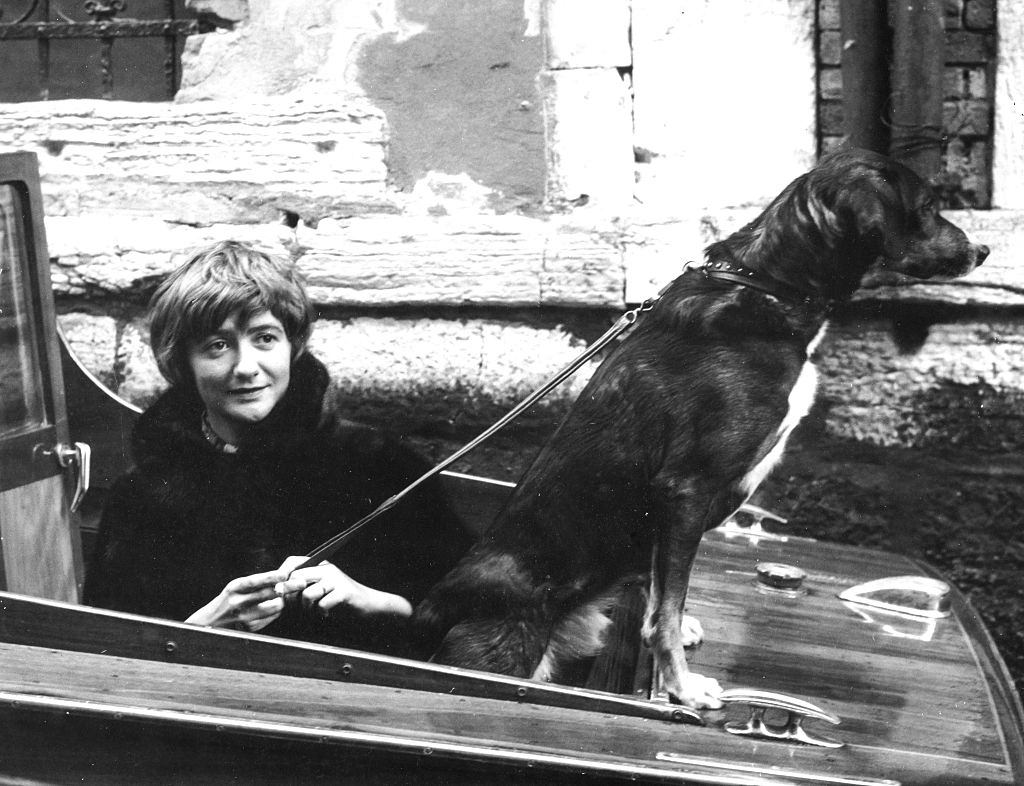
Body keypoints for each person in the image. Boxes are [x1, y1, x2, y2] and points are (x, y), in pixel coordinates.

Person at [84, 241, 472, 657]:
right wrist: (201, 628)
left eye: (265, 338)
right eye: (217, 345)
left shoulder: (379, 464)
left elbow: (471, 617)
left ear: (293, 345)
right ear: (183, 363)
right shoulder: (141, 496)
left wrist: (372, 601)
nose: (246, 367)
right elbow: (104, 654)